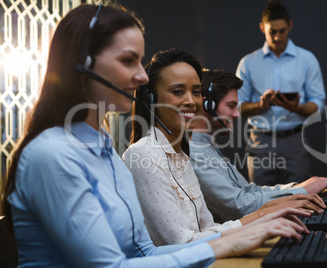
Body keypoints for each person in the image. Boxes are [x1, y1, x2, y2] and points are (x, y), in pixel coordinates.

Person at [0, 4, 310, 267]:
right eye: (127, 60)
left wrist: (246, 231)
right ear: (83, 65)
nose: (142, 76)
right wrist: (227, 242)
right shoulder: (53, 154)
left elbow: (144, 251)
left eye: (140, 60)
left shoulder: (103, 148)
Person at [122, 48, 311, 247]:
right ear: (151, 100)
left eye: (196, 92)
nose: (191, 101)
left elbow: (208, 228)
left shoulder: (180, 155)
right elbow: (181, 243)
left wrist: (267, 214)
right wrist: (262, 218)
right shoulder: (143, 156)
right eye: (178, 91)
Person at [190, 69, 327, 223]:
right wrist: (303, 191)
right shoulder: (196, 153)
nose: (237, 114)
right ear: (207, 105)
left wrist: (298, 188)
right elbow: (239, 207)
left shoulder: (208, 147)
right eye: (231, 106)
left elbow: (249, 191)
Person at [236, 0, 326, 186]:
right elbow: (237, 107)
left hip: (294, 141)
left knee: (299, 200)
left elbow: (318, 105)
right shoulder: (248, 63)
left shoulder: (307, 60)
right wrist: (261, 105)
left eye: (282, 31)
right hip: (260, 140)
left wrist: (296, 107)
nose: (277, 37)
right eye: (272, 32)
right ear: (262, 28)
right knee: (259, 203)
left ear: (290, 26)